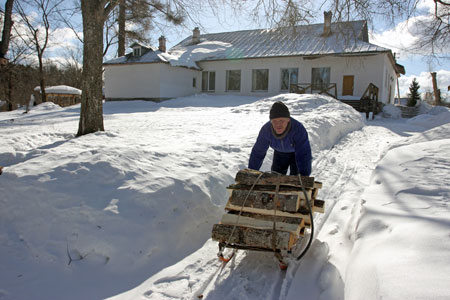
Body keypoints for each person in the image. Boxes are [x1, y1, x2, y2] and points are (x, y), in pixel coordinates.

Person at [248, 101, 312, 176]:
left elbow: (304, 154)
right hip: (279, 154)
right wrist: (251, 172)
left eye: (281, 121)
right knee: (275, 178)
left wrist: (304, 175)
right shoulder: (266, 130)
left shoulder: (298, 129)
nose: (278, 125)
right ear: (271, 121)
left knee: (296, 179)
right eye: (274, 121)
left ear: (288, 120)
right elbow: (258, 152)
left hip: (296, 153)